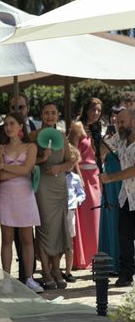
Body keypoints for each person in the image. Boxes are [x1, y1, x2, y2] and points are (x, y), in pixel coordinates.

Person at [0, 112, 42, 293]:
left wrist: (6, 167)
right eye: (6, 124)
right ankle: (6, 279)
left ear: (21, 126)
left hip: (25, 194)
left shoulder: (31, 147)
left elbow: (26, 169)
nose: (8, 127)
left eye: (12, 123)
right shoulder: (0, 148)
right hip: (6, 195)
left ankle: (29, 278)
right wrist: (18, 171)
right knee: (6, 238)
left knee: (27, 238)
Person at [29, 102, 73, 290]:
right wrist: (42, 158)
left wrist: (59, 168)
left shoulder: (62, 136)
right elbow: (28, 161)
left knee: (59, 229)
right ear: (41, 114)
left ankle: (56, 269)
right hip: (42, 186)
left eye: (53, 113)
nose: (49, 116)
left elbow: (70, 162)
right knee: (44, 227)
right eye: (46, 113)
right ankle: (45, 271)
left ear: (57, 115)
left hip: (59, 186)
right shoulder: (34, 136)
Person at [100, 108, 135, 287]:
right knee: (124, 237)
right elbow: (103, 147)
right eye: (117, 122)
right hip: (126, 197)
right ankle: (127, 273)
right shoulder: (120, 139)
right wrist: (97, 141)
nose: (118, 126)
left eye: (122, 122)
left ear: (133, 122)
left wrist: (111, 177)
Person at [68, 98, 103, 269]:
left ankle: (94, 255)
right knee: (82, 217)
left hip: (96, 175)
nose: (96, 113)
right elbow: (72, 153)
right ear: (86, 109)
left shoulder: (97, 128)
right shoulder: (77, 126)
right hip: (82, 174)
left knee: (95, 216)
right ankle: (81, 258)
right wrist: (79, 177)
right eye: (93, 109)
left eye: (98, 110)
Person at [99, 105, 124, 273]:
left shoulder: (129, 137)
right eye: (113, 117)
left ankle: (125, 261)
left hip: (125, 183)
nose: (115, 120)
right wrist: (106, 140)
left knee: (124, 222)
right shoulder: (106, 139)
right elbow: (99, 157)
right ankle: (111, 263)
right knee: (111, 221)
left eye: (119, 118)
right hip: (109, 182)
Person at [64, 144, 85, 283]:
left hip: (70, 210)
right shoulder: (57, 176)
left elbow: (82, 194)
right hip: (56, 210)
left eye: (73, 164)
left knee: (69, 242)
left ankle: (68, 271)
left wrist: (77, 201)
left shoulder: (75, 178)